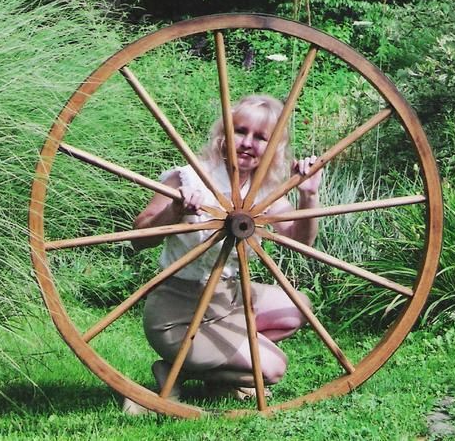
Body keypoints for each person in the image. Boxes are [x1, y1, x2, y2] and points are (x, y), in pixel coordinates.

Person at [126, 95, 322, 411]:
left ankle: (201, 372)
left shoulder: (262, 190)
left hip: (227, 302)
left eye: (261, 137)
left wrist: (308, 197)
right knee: (273, 368)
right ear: (224, 133)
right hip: (178, 312)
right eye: (240, 131)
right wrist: (176, 209)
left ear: (274, 146)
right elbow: (139, 238)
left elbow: (301, 241)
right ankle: (176, 368)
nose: (247, 143)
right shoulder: (190, 178)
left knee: (297, 307)